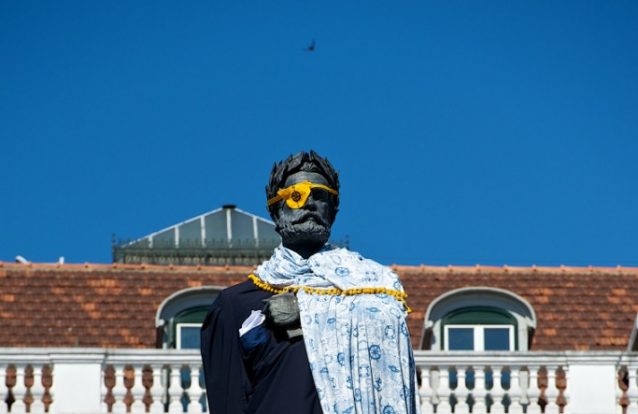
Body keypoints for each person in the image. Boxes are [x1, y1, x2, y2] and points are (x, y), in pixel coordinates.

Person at [201, 151, 419, 414]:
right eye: (297, 195)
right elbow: (228, 402)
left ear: (333, 211)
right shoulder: (236, 303)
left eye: (320, 196)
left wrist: (306, 309)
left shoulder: (373, 284)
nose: (310, 204)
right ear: (275, 211)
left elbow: (391, 327)